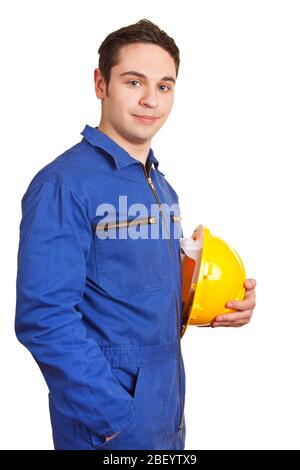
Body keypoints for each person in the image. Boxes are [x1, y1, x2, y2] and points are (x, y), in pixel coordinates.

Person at [15, 19, 256, 450]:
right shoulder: (64, 185)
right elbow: (44, 319)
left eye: (165, 86)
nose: (151, 100)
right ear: (100, 83)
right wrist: (112, 417)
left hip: (166, 407)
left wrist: (220, 302)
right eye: (134, 81)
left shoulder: (162, 188)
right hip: (108, 422)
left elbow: (141, 297)